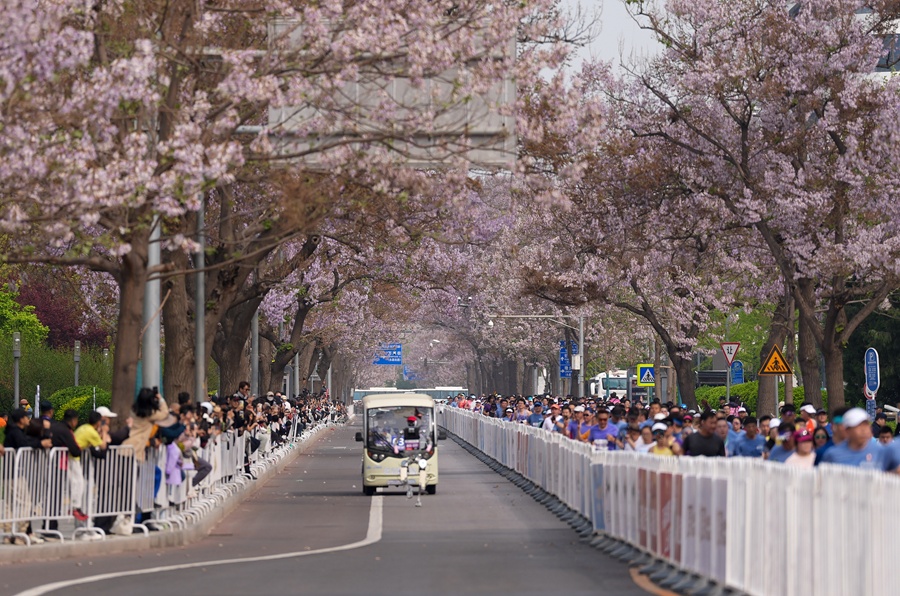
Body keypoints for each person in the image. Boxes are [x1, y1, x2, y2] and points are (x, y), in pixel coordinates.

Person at [819, 408, 893, 471]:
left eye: (866, 424)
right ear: (847, 430)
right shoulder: (832, 455)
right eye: (858, 426)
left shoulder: (881, 452)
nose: (863, 430)